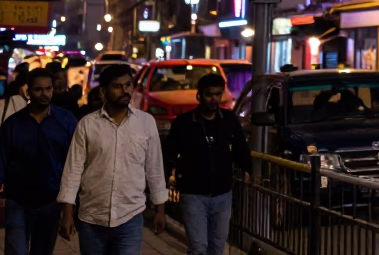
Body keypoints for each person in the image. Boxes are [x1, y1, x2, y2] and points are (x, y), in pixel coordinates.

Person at [57, 64, 166, 255]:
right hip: (92, 217)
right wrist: (67, 213)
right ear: (103, 92)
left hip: (130, 216)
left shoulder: (146, 122)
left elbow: (154, 168)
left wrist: (160, 208)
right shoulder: (88, 125)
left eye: (128, 85)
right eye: (118, 86)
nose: (125, 91)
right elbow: (73, 169)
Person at [0, 69, 78, 255]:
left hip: (51, 201)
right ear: (28, 92)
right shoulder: (13, 124)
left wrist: (71, 206)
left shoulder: (66, 121)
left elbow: (75, 162)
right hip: (18, 201)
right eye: (38, 89)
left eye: (48, 89)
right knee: (16, 251)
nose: (44, 94)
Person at [166, 73, 251, 255]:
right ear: (199, 96)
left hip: (222, 194)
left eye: (218, 94)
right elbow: (170, 153)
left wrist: (249, 170)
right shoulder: (184, 122)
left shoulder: (229, 120)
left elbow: (240, 148)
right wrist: (164, 181)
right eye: (209, 94)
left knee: (217, 248)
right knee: (198, 247)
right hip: (193, 194)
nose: (214, 99)